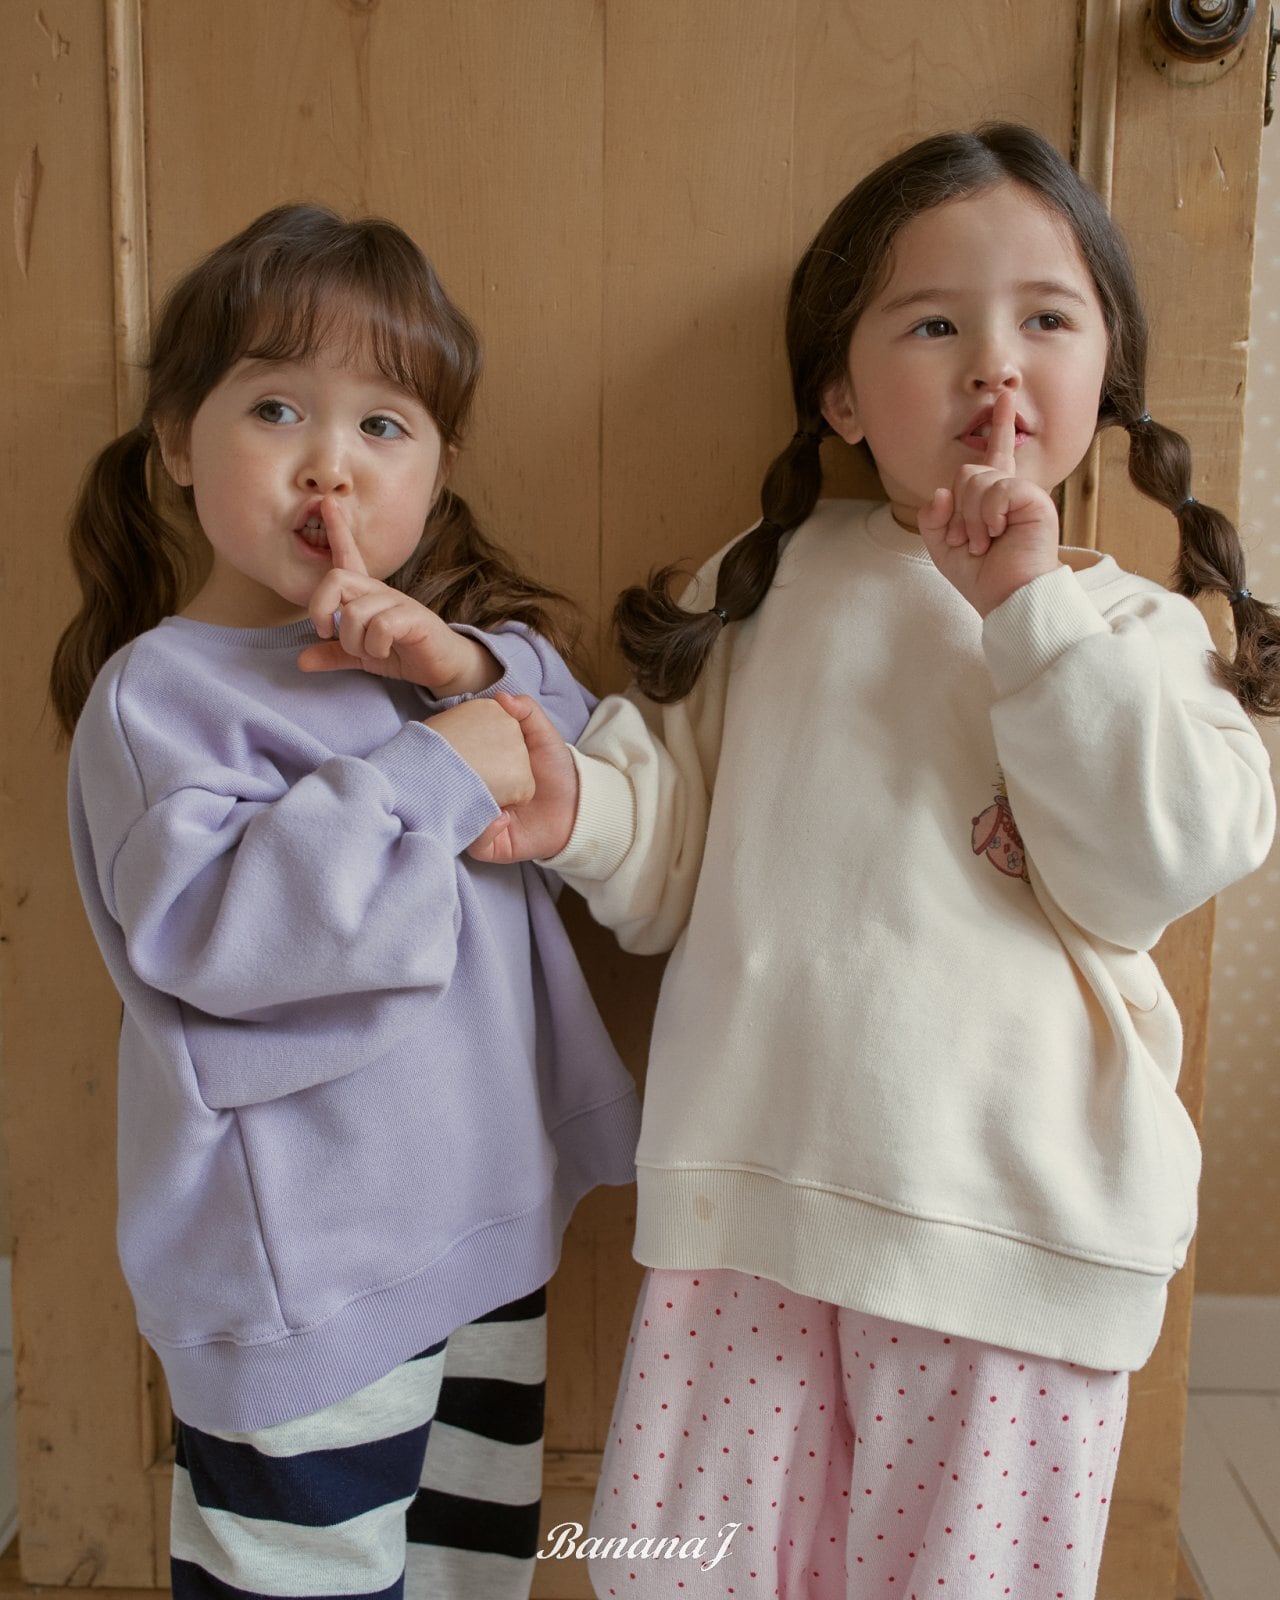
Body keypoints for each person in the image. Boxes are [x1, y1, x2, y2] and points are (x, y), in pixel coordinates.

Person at [463, 124, 1278, 1597]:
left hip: (1012, 1235)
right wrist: (578, 812)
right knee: (678, 1570)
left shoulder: (1138, 633)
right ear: (841, 392)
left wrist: (1024, 606)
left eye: (1048, 319)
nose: (995, 367)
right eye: (934, 325)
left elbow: (1149, 863)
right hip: (747, 1209)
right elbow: (664, 857)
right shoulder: (766, 586)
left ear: (1108, 373)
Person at [49, 203, 640, 1600]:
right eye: (276, 409)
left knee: (469, 1570)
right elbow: (229, 937)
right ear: (177, 444)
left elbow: (591, 773)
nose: (331, 462)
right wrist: (438, 766)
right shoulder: (161, 696)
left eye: (385, 425)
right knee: (303, 1580)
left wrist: (461, 677)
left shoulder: (432, 664)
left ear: (434, 475)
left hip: (486, 1238)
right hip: (305, 1283)